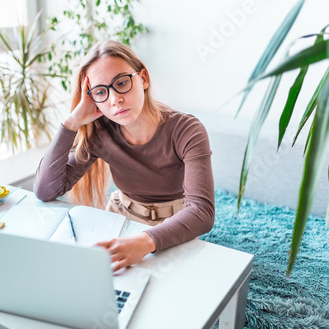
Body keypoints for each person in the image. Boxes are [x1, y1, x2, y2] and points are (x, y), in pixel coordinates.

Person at [33, 40, 215, 272]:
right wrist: (70, 123)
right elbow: (45, 191)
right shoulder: (99, 133)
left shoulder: (187, 130)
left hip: (174, 222)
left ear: (144, 78)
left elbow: (202, 212)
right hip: (121, 215)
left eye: (121, 82)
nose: (114, 99)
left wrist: (144, 242)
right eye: (100, 92)